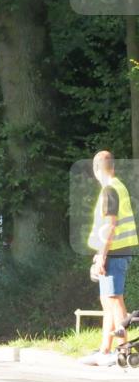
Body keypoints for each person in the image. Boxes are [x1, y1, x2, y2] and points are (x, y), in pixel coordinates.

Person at [81, 150, 138, 366]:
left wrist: (102, 256)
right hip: (116, 251)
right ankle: (105, 351)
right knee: (108, 300)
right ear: (112, 167)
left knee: (115, 300)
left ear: (96, 170)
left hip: (114, 252)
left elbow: (110, 226)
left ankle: (125, 352)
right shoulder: (117, 186)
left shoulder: (110, 190)